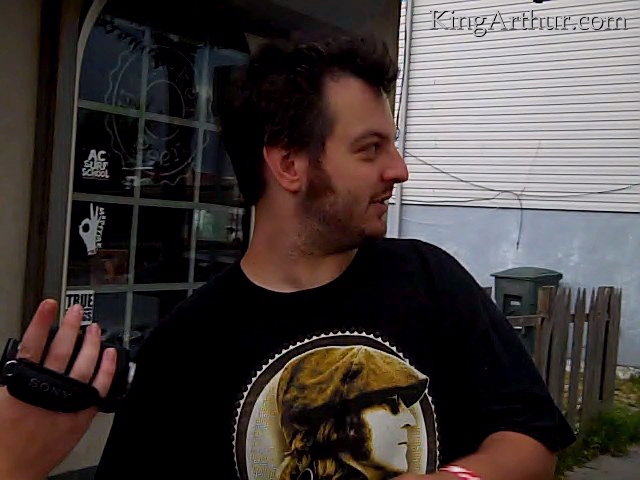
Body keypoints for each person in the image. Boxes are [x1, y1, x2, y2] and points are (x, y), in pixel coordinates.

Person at [0, 34, 576, 480]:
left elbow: (532, 440)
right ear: (290, 164)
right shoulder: (185, 347)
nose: (398, 169)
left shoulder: (429, 280)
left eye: (393, 145)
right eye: (370, 149)